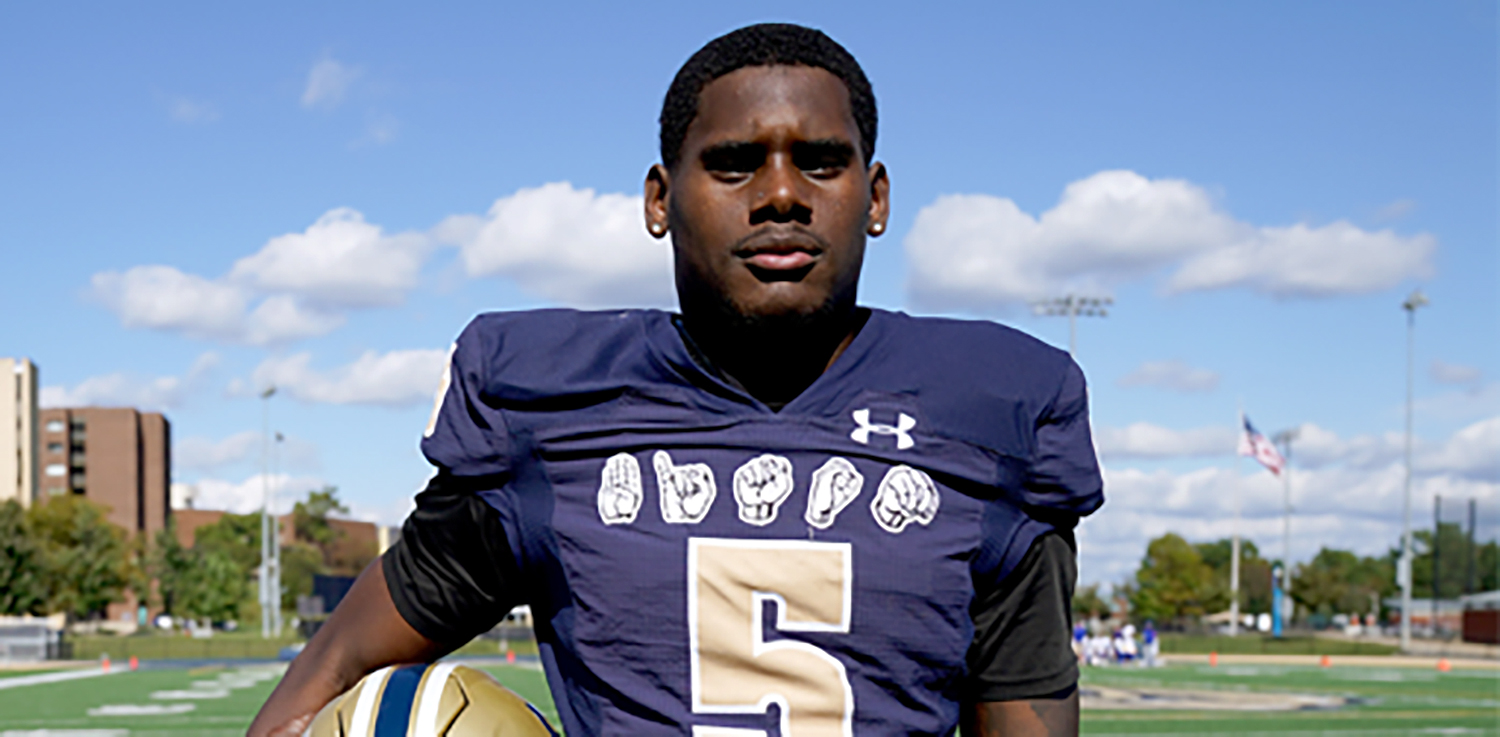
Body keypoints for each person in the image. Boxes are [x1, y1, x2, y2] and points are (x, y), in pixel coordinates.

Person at [249, 23, 1103, 737]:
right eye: (733, 162)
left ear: (875, 198)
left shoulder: (994, 413)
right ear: (660, 199)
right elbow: (333, 675)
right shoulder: (550, 412)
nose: (779, 194)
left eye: (820, 162)